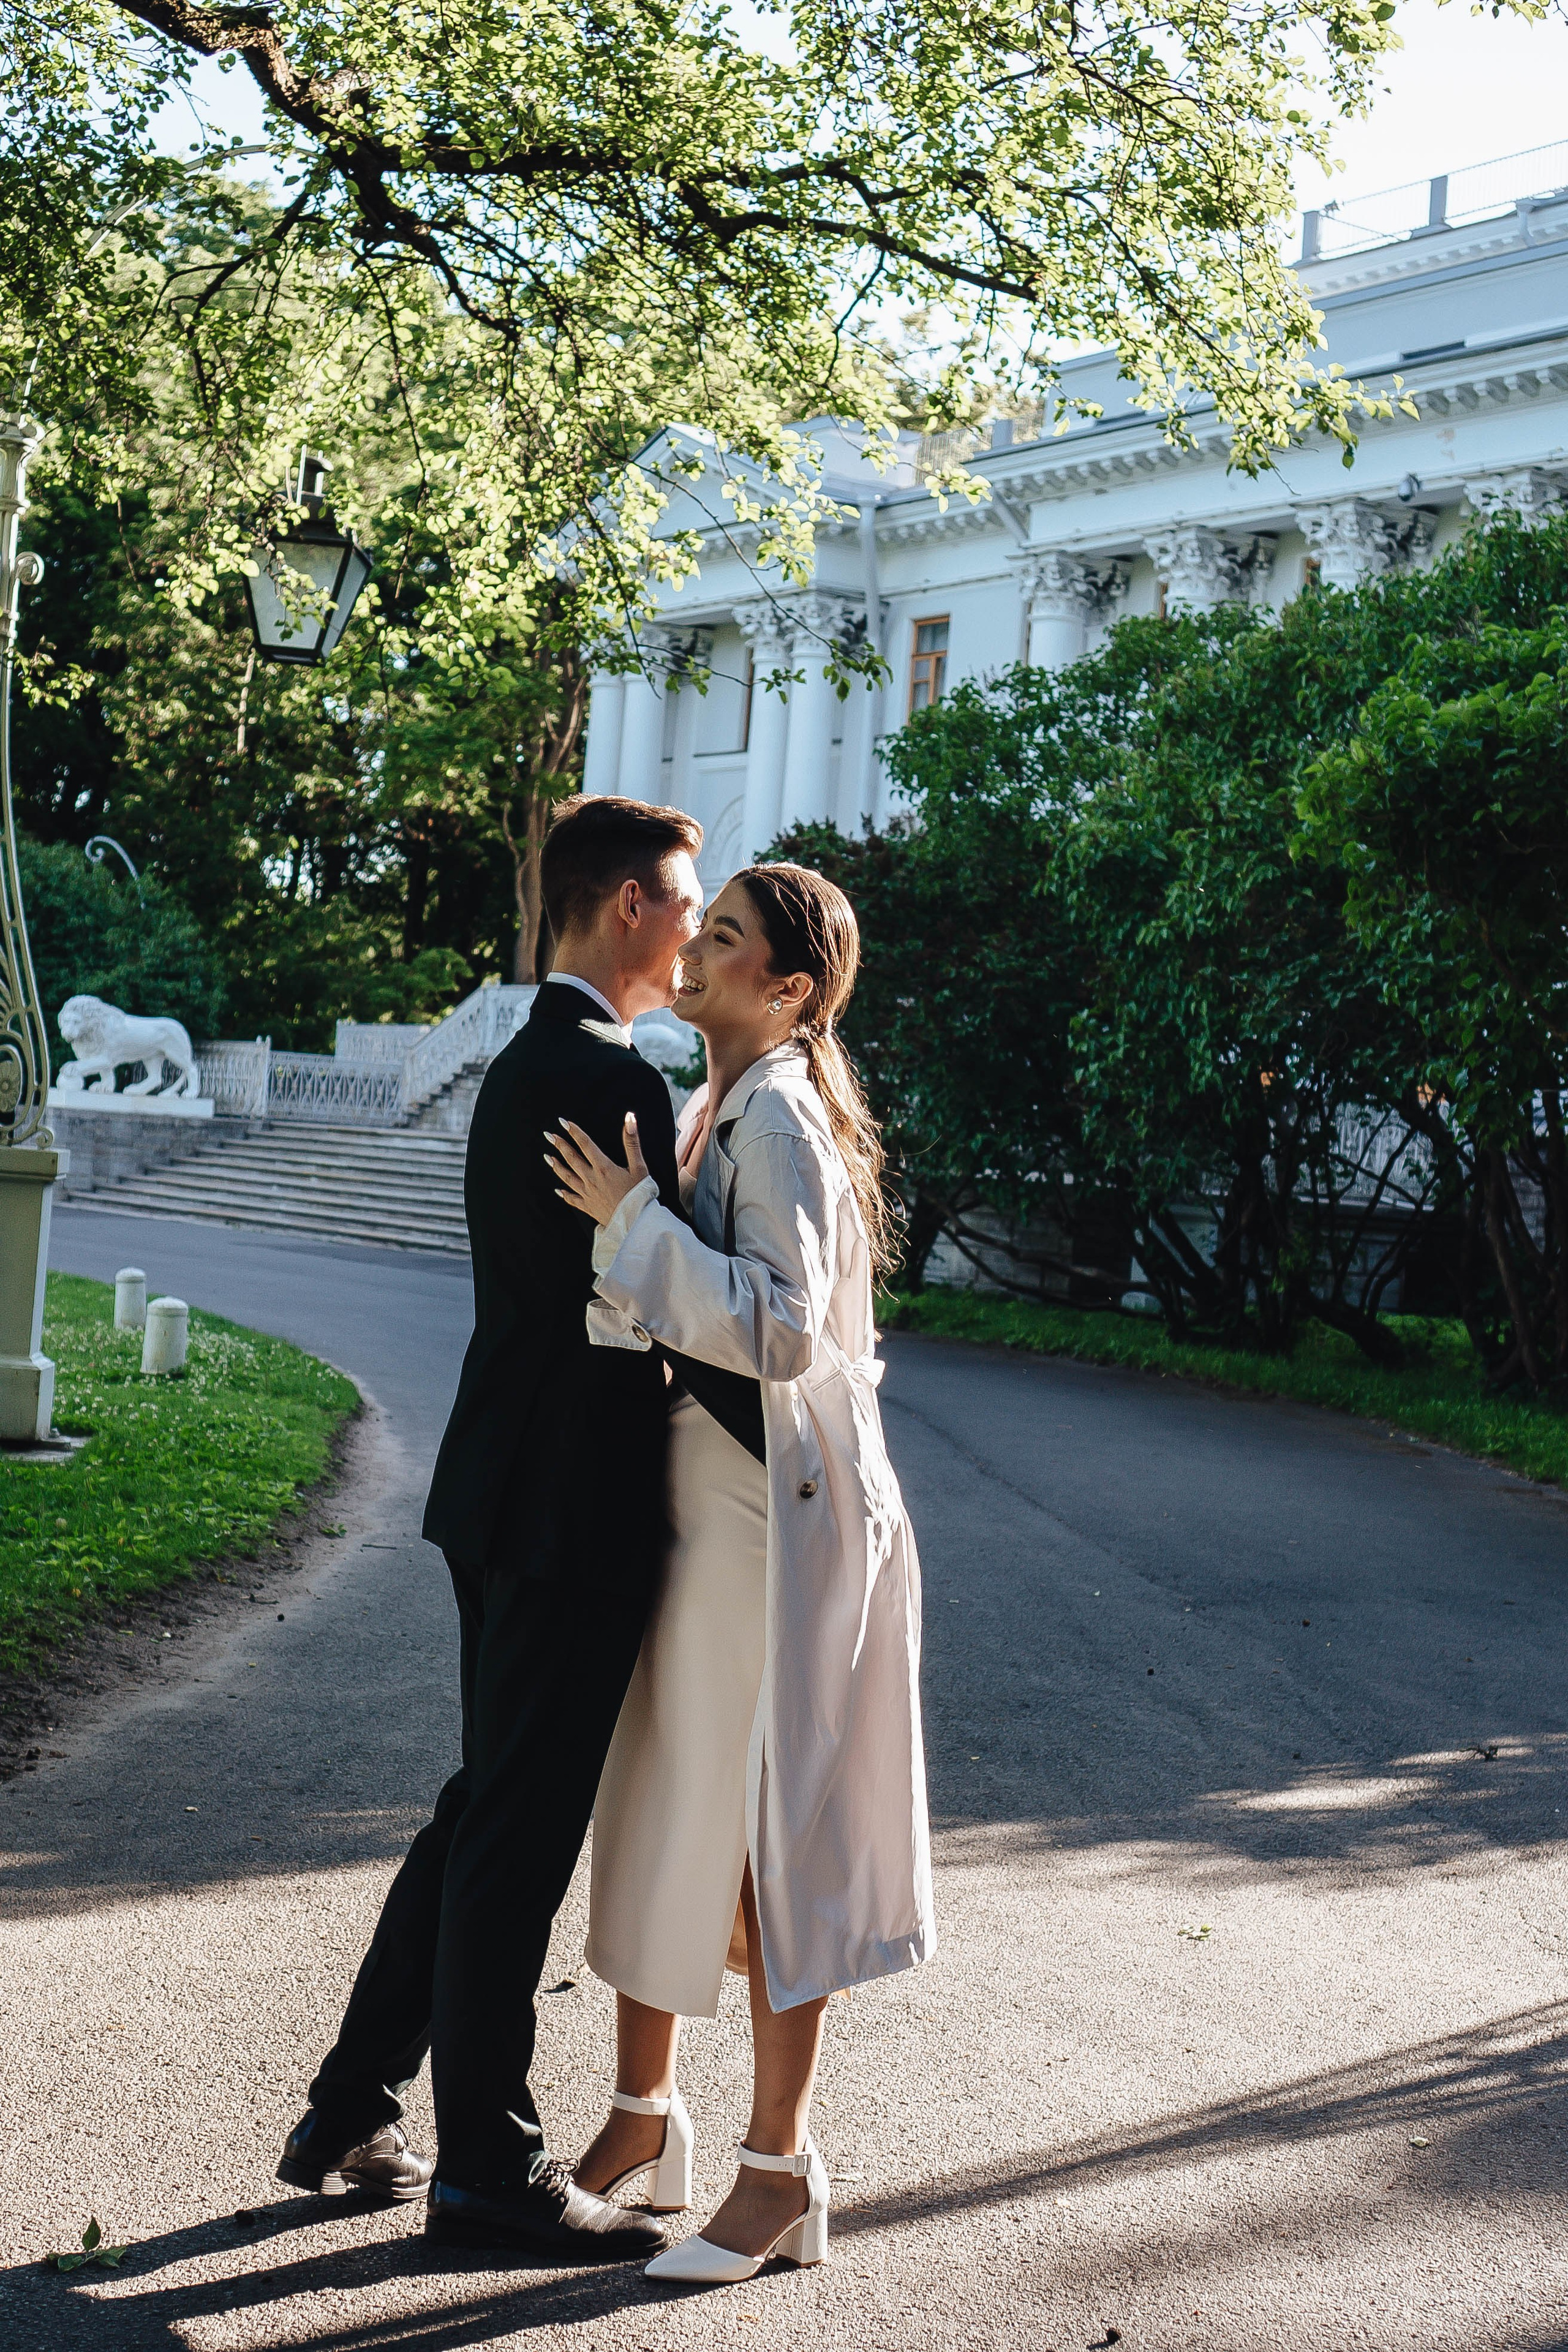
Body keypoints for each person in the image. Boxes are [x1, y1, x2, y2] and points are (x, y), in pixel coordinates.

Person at [277, 794, 762, 2261]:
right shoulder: (602, 1077)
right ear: (627, 907)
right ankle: (488, 2168)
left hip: (508, 1488)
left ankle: (353, 2104)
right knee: (517, 1832)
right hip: (568, 1510)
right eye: (688, 905)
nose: (696, 930)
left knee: (487, 1801)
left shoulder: (533, 1061)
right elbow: (650, 1317)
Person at [546, 861, 935, 2288]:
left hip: (781, 1522)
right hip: (714, 1511)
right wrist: (636, 1231)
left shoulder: (776, 1119)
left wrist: (631, 1229)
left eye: (724, 938)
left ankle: (781, 2171)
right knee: (670, 1799)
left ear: (786, 988)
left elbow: (775, 1333)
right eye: (698, 929)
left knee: (773, 1836)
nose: (694, 951)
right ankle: (642, 2123)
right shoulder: (719, 1098)